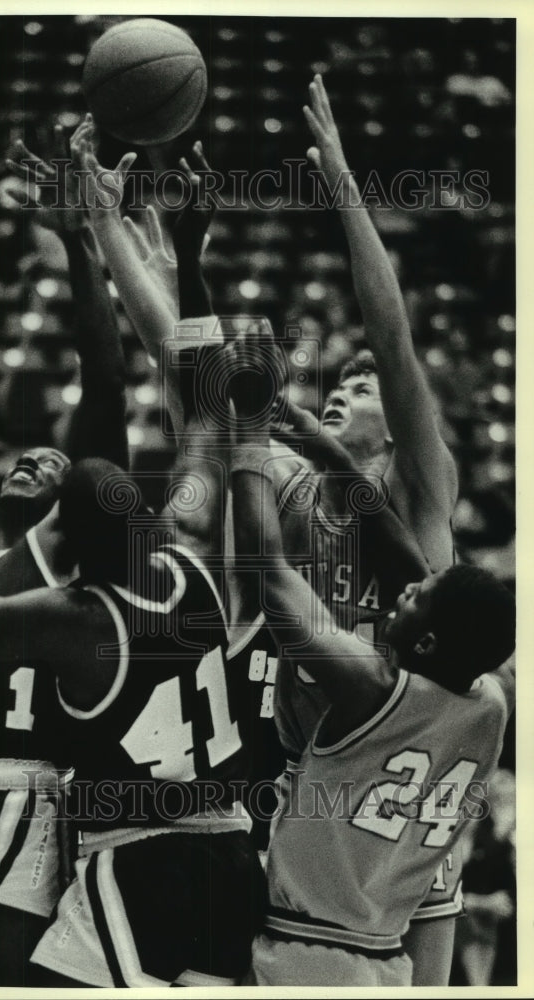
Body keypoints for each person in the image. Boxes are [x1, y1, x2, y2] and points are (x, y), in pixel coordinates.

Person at [0, 139, 264, 988]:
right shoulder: (185, 560)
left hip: (104, 840)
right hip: (192, 839)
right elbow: (203, 405)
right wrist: (184, 257)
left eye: (64, 471)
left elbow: (114, 388)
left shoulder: (64, 615)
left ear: (72, 542)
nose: (49, 462)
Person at [226, 352, 515, 987]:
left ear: (429, 640)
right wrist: (328, 452)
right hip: (389, 947)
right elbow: (418, 571)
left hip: (311, 945)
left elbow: (270, 574)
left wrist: (248, 438)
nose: (404, 591)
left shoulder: (369, 689)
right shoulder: (490, 703)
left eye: (412, 600)